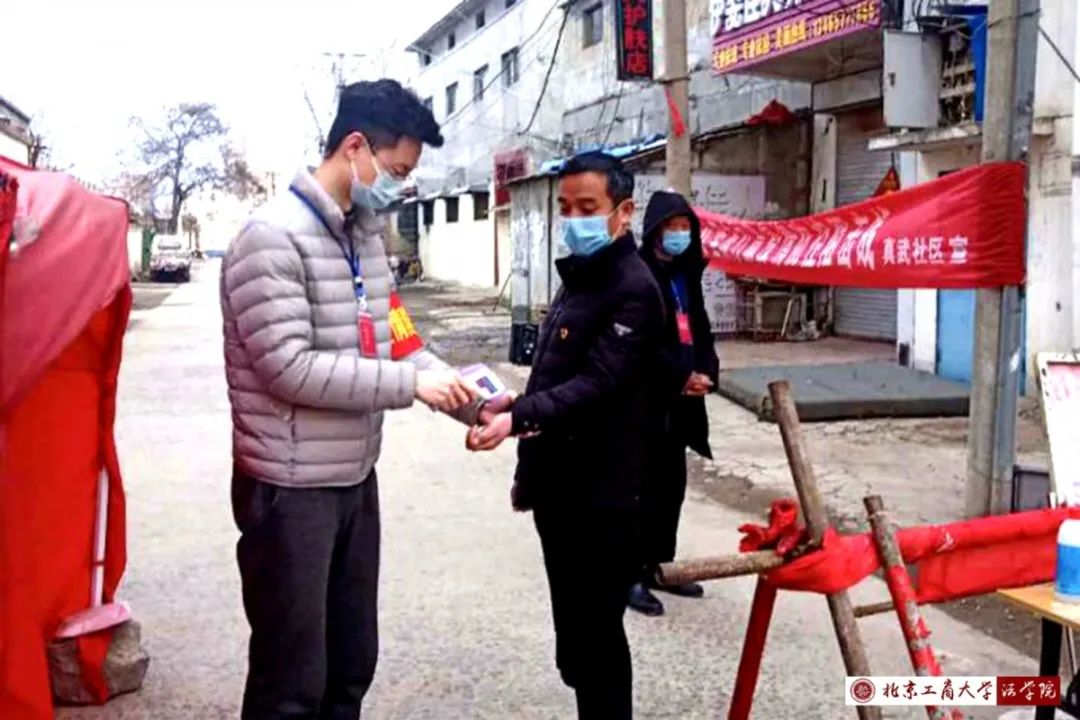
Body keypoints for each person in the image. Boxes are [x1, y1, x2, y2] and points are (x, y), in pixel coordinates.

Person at [219, 79, 479, 720]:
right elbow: (288, 368)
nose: (398, 188)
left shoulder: (364, 235)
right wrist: (409, 387)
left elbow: (397, 341)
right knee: (292, 678)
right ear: (355, 147)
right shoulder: (270, 237)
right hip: (290, 489)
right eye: (397, 172)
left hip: (354, 479)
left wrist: (472, 401)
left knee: (350, 660)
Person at [467, 152, 664, 719]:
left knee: (596, 639)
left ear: (623, 213)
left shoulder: (633, 287)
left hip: (605, 498)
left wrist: (517, 417)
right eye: (567, 208)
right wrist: (525, 456)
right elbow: (551, 377)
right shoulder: (580, 278)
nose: (574, 220)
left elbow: (598, 384)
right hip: (562, 494)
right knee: (576, 640)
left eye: (588, 208)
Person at [628, 190, 719, 618]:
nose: (680, 234)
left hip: (683, 400)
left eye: (686, 227)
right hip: (646, 399)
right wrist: (680, 376)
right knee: (639, 489)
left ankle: (660, 565)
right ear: (654, 230)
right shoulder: (637, 274)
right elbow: (640, 342)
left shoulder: (686, 273)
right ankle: (629, 574)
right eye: (672, 227)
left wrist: (707, 371)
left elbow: (700, 328)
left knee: (671, 487)